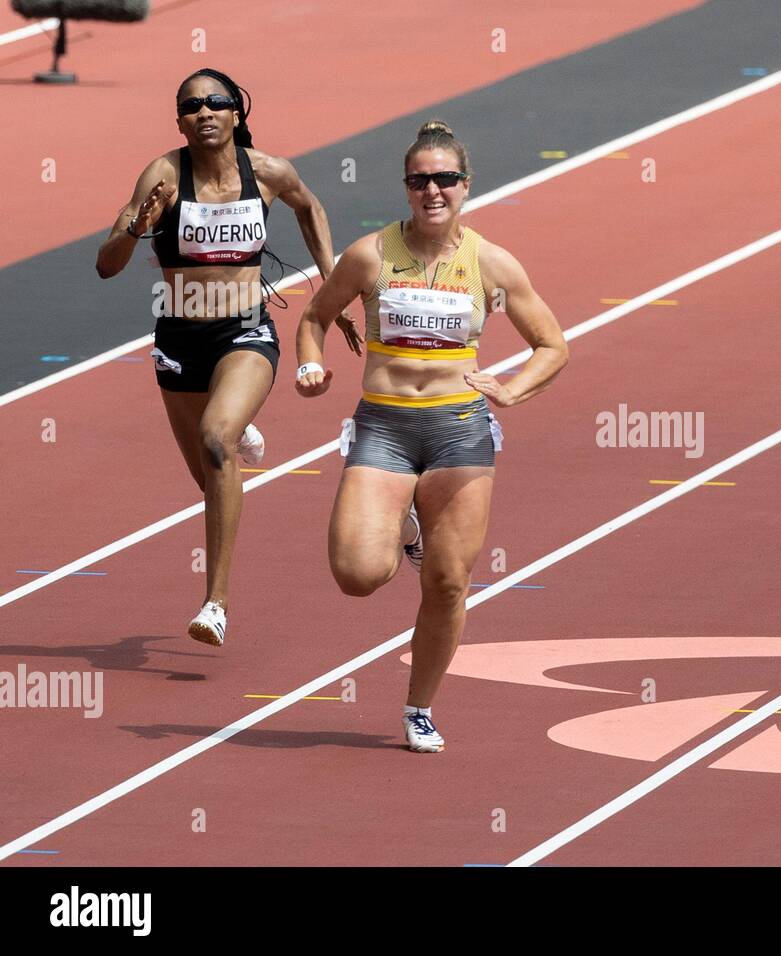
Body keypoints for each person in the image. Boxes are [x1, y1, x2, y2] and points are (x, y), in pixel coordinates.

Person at [295, 120, 569, 752]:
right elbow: (315, 316)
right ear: (407, 187)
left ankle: (419, 707)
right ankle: (404, 526)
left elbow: (552, 345)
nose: (433, 190)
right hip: (384, 426)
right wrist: (310, 365)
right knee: (357, 574)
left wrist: (513, 389)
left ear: (465, 186)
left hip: (460, 430)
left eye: (445, 178)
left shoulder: (492, 263)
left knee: (447, 583)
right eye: (421, 180)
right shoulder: (370, 255)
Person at [95, 68, 361, 647]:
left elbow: (309, 207)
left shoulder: (266, 171)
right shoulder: (164, 176)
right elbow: (105, 264)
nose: (205, 113)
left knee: (217, 441)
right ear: (181, 122)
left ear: (237, 113)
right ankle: (235, 424)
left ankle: (215, 602)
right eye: (192, 107)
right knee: (210, 480)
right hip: (178, 341)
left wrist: (331, 287)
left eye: (217, 103)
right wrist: (138, 228)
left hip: (244, 331)